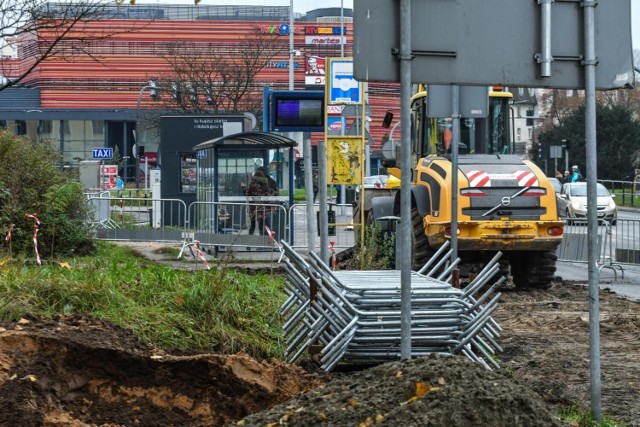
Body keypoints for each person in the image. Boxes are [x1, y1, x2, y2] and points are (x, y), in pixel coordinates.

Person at [245, 169, 275, 236]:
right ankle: (262, 243)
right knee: (262, 226)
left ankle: (249, 244)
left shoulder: (252, 185)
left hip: (253, 208)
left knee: (252, 226)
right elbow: (269, 195)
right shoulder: (266, 185)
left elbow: (247, 194)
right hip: (263, 209)